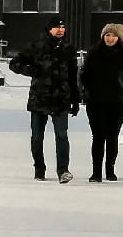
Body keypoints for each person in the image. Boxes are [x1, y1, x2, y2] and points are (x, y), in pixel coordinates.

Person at [8, 15, 80, 183]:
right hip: (39, 99)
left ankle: (63, 171)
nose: (61, 30)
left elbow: (73, 76)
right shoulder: (35, 47)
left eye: (63, 27)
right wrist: (31, 71)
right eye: (57, 27)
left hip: (61, 99)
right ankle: (39, 169)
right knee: (37, 137)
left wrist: (76, 100)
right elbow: (14, 63)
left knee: (62, 135)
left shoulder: (68, 49)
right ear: (49, 29)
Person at [79, 22, 123, 182]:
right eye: (107, 35)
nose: (110, 38)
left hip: (117, 102)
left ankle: (110, 170)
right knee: (98, 136)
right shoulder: (93, 53)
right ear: (103, 36)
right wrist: (89, 89)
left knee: (112, 136)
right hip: (96, 101)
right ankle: (96, 172)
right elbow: (84, 74)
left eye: (114, 35)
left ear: (119, 38)